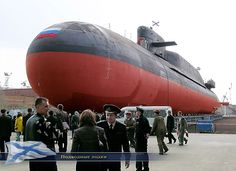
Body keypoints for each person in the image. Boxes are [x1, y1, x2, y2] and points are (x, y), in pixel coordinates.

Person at [25, 97, 57, 171]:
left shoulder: (29, 120)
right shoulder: (41, 121)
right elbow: (53, 136)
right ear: (38, 107)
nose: (47, 108)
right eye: (45, 106)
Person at [97, 104, 130, 171]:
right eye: (107, 115)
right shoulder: (99, 125)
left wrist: (127, 158)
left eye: (111, 115)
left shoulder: (122, 127)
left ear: (116, 115)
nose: (109, 117)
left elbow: (125, 144)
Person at [135, 107, 151, 171]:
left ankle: (140, 168)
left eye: (137, 112)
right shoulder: (139, 119)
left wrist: (147, 134)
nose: (136, 113)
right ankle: (145, 167)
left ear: (140, 112)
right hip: (140, 139)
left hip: (141, 140)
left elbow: (147, 128)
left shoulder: (142, 119)